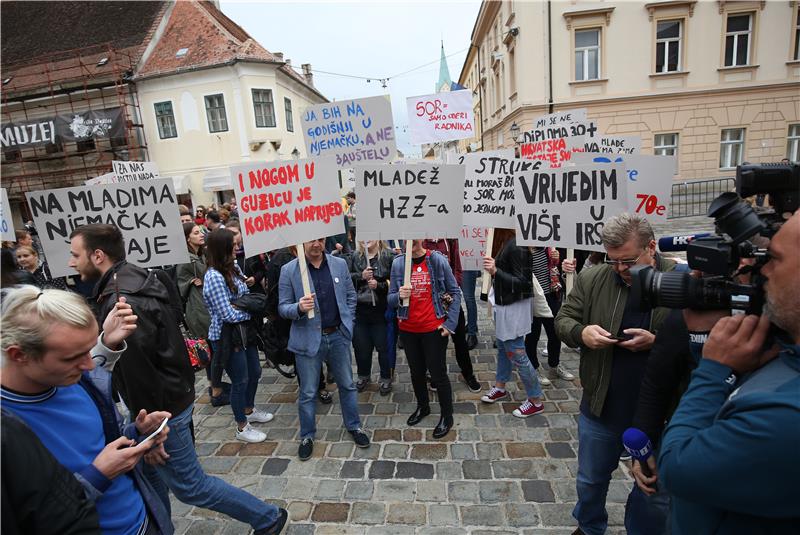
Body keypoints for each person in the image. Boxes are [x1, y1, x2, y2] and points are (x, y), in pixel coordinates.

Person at [67, 224, 287, 535]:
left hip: (160, 408)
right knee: (148, 476)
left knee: (191, 487)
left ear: (98, 255)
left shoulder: (122, 300)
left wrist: (154, 432)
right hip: (165, 399)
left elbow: (138, 371)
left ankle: (268, 517)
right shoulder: (133, 278)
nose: (71, 262)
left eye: (76, 255)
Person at [658, 210, 800, 534]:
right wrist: (709, 347)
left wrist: (712, 369)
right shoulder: (784, 353)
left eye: (774, 259)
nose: (764, 272)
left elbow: (679, 467)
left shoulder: (786, 417)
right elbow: (722, 403)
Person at [1, 286, 173, 535]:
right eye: (73, 357)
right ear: (19, 355)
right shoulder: (7, 428)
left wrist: (136, 432)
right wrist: (98, 475)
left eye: (89, 350)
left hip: (144, 522)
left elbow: (98, 444)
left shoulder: (78, 381)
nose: (90, 364)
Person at [555, 213, 674, 535]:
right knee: (590, 480)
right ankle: (590, 526)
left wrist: (658, 342)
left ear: (651, 247)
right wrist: (581, 333)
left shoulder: (679, 279)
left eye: (628, 261)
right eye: (613, 261)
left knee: (653, 492)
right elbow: (563, 319)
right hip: (602, 407)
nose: (620, 269)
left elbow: (703, 343)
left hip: (663, 416)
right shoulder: (594, 277)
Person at [278, 238, 370, 460]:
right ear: (301, 243)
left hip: (337, 335)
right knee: (308, 392)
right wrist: (298, 308)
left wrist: (349, 322)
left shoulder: (338, 264)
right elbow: (282, 307)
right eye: (310, 241)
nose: (316, 244)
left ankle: (354, 426)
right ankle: (307, 435)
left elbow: (349, 295)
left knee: (347, 385)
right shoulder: (289, 270)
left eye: (320, 239)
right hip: (308, 339)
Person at [203, 229, 274, 443]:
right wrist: (248, 309)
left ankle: (249, 408)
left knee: (255, 371)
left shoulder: (233, 268)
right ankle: (242, 426)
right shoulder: (214, 277)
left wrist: (242, 305)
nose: (237, 248)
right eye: (233, 245)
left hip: (244, 331)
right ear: (222, 249)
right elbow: (227, 314)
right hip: (226, 337)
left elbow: (244, 297)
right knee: (240, 380)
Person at [388, 239, 461, 439]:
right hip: (408, 328)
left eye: (414, 235)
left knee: (438, 373)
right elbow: (390, 298)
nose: (410, 240)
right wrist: (398, 296)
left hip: (433, 328)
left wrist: (450, 324)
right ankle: (423, 407)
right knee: (416, 372)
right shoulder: (398, 263)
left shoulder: (436, 260)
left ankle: (447, 415)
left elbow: (455, 292)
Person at [2, 408, 101, 535]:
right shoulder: (9, 427)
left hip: (131, 518)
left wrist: (132, 432)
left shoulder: (88, 389)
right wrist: (96, 476)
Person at [479, 230, 546, 418]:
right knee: (503, 347)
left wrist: (495, 271)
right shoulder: (507, 240)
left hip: (513, 307)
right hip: (506, 304)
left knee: (517, 353)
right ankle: (500, 386)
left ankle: (535, 400)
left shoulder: (517, 244)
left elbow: (524, 283)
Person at [176, 223, 228, 407]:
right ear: (187, 238)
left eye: (201, 231)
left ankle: (216, 385)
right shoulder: (186, 259)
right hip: (198, 308)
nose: (201, 235)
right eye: (196, 233)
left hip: (206, 304)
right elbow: (180, 282)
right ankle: (215, 389)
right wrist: (191, 281)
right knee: (211, 349)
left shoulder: (202, 254)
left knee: (214, 349)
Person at [422, 238, 481, 392]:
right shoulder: (422, 242)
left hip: (450, 300)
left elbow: (458, 267)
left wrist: (451, 285)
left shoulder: (450, 240)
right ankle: (437, 375)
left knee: (460, 340)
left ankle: (468, 374)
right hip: (431, 304)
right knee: (436, 343)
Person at [348, 240, 395, 394]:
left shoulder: (388, 256)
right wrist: (361, 276)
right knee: (361, 347)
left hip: (380, 311)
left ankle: (386, 377)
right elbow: (346, 279)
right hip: (360, 310)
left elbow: (394, 280)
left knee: (383, 347)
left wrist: (380, 285)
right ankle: (363, 375)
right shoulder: (355, 256)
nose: (366, 240)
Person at [525, 246, 575, 386]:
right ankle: (534, 367)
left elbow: (557, 269)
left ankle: (554, 364)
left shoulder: (549, 247)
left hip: (552, 295)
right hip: (532, 297)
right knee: (532, 334)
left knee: (555, 332)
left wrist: (556, 259)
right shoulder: (523, 249)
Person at [226, 220, 268, 295]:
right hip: (238, 296)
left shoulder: (252, 249)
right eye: (229, 234)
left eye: (235, 234)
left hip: (255, 293)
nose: (232, 236)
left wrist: (255, 278)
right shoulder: (225, 255)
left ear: (241, 233)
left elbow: (262, 270)